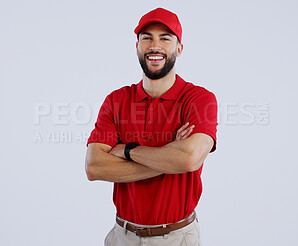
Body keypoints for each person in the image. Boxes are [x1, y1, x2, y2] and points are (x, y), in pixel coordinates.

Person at [85, 7, 218, 246]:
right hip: (121, 236)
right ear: (137, 46)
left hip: (177, 238)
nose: (154, 46)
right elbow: (94, 167)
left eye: (165, 38)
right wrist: (170, 156)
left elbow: (188, 159)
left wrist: (127, 151)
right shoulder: (116, 100)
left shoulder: (199, 100)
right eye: (146, 38)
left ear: (179, 48)